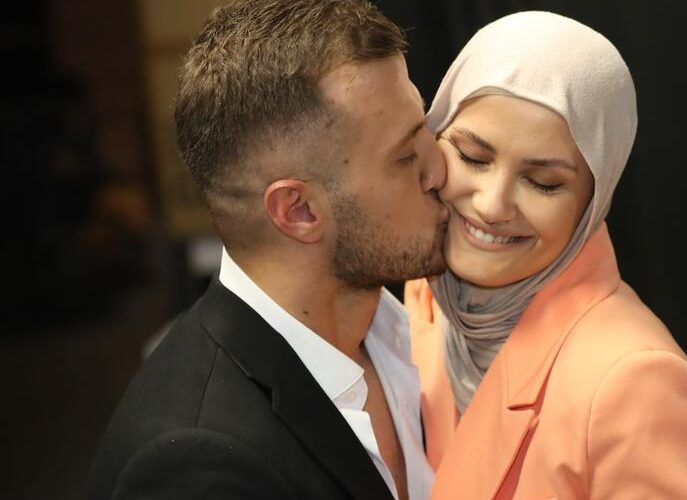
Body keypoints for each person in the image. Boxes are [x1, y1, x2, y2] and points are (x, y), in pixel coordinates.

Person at [89, 1, 447, 499]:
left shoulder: (410, 330)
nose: (441, 169)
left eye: (427, 128)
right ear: (298, 210)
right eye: (405, 156)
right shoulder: (198, 466)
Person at [404, 11, 687, 499]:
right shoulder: (428, 294)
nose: (492, 205)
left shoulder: (633, 385)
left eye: (543, 183)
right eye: (472, 157)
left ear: (592, 204)